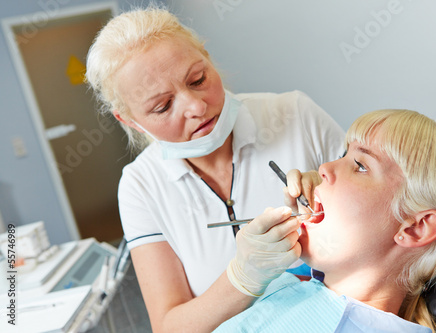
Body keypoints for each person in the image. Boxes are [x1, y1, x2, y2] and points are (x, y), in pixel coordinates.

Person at [85, 6, 345, 332]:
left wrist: (336, 192)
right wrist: (243, 277)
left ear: (207, 57)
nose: (196, 106)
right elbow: (169, 326)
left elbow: (390, 212)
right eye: (162, 106)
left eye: (198, 79)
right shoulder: (141, 186)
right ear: (130, 120)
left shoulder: (295, 115)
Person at [213, 109, 436, 332]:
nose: (323, 168)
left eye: (360, 165)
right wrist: (245, 274)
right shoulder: (305, 282)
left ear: (415, 227)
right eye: (344, 154)